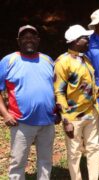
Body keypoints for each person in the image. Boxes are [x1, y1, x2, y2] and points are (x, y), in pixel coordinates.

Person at [0, 25, 57, 180]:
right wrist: (5, 114)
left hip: (47, 121)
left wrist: (57, 111)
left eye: (32, 37)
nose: (29, 40)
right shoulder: (8, 60)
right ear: (18, 41)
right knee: (18, 161)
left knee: (45, 160)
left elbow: (56, 88)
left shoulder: (47, 60)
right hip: (21, 123)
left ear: (38, 40)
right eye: (24, 37)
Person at [54, 25, 99, 180]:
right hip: (73, 116)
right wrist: (66, 119)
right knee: (74, 152)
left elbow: (90, 87)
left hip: (91, 113)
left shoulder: (85, 59)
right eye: (84, 38)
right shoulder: (63, 62)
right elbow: (59, 92)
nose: (88, 40)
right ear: (74, 41)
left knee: (93, 148)